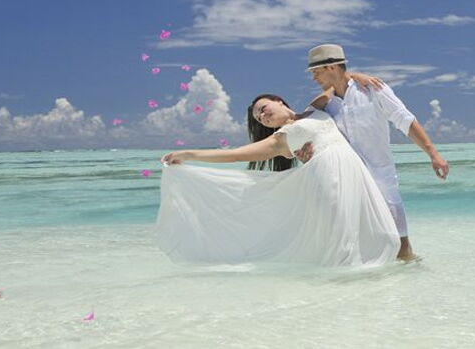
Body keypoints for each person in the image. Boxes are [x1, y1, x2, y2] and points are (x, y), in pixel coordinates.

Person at [156, 93, 399, 268]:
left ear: (279, 101)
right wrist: (189, 154)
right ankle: (343, 289)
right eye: (259, 118)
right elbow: (237, 154)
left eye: (263, 109)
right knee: (341, 234)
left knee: (378, 231)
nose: (262, 116)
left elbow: (336, 83)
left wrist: (361, 77)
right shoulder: (282, 138)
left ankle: (371, 279)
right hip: (328, 175)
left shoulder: (315, 108)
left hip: (353, 171)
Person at [301, 44, 448, 261]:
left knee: (401, 246)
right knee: (358, 245)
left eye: (316, 71)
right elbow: (306, 116)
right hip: (349, 181)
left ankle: (411, 277)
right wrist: (350, 76)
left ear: (332, 67)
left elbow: (405, 120)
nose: (313, 77)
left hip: (382, 177)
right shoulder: (327, 104)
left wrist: (433, 154)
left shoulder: (372, 89)